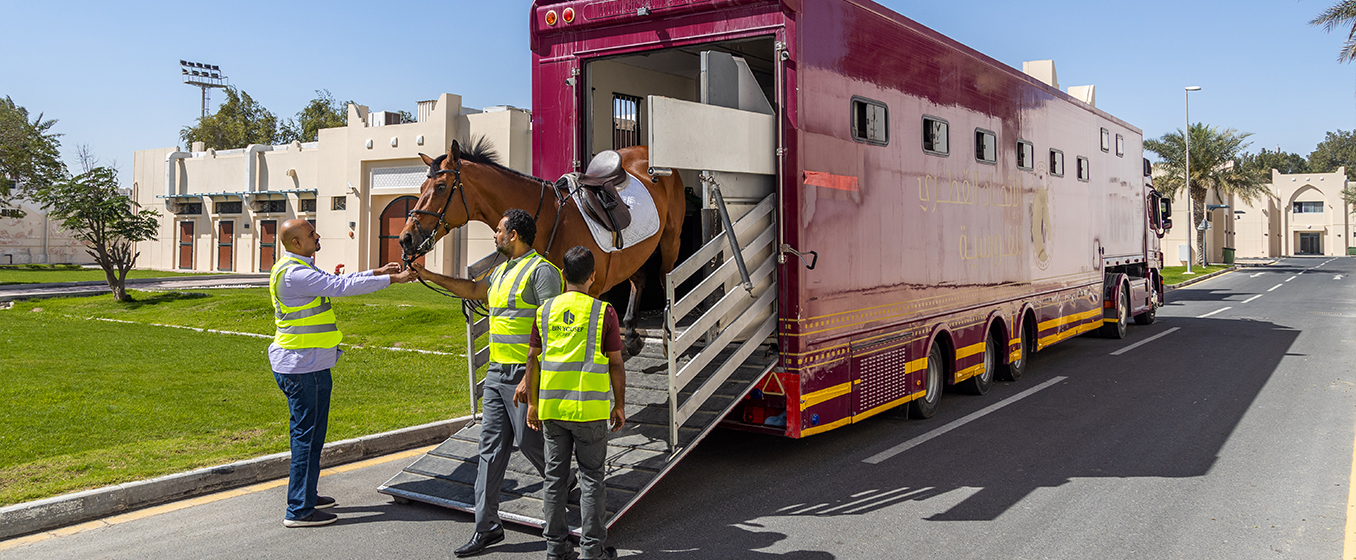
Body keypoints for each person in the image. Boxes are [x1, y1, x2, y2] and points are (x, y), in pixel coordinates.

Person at [409, 208, 565, 557]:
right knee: (490, 451)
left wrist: (531, 375)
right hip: (496, 373)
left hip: (526, 373)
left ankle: (566, 483)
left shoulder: (542, 272)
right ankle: (487, 527)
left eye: (498, 230)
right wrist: (429, 274)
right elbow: (474, 289)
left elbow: (553, 329)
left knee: (528, 442)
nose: (494, 235)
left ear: (514, 235)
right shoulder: (502, 270)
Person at [268, 218, 415, 528]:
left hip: (308, 364)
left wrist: (376, 272)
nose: (317, 235)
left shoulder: (296, 267)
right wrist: (394, 280)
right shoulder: (295, 274)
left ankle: (305, 494)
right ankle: (299, 510)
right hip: (303, 367)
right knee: (307, 439)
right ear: (296, 243)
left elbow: (336, 279)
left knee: (312, 437)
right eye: (311, 234)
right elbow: (340, 286)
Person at [522, 245, 626, 560]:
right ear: (593, 276)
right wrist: (619, 405)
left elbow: (532, 359)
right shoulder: (603, 312)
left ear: (563, 274)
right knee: (592, 478)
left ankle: (555, 549)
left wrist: (532, 404)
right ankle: (591, 551)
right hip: (590, 412)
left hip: (553, 411)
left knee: (554, 479)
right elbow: (616, 363)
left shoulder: (545, 312)